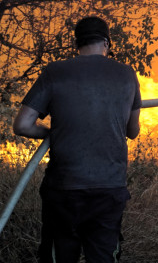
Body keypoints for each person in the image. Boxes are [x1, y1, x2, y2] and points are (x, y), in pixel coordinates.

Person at [13, 16, 141, 263]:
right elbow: (132, 131)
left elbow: (22, 125)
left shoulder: (55, 71)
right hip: (108, 189)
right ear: (107, 43)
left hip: (63, 189)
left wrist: (55, 132)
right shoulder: (127, 74)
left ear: (77, 44)